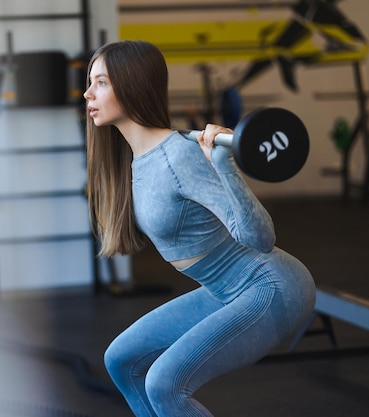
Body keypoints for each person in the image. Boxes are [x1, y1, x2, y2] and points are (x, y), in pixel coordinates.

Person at [83, 40, 316, 417]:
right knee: (121, 360)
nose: (87, 93)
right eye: (90, 82)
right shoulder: (136, 159)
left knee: (163, 384)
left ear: (132, 85)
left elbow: (261, 239)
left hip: (270, 287)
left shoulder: (180, 155)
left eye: (101, 83)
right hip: (223, 289)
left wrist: (225, 167)